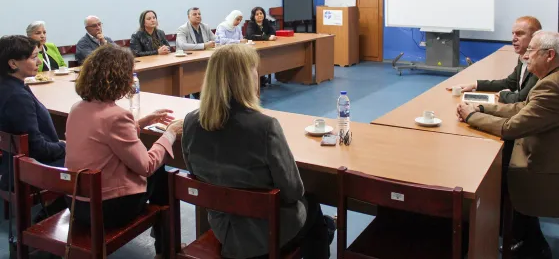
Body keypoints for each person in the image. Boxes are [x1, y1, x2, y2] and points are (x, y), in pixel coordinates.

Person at [181, 44, 334, 259]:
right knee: (313, 209)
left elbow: (194, 173)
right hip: (264, 233)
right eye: (254, 69)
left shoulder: (191, 122)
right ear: (245, 78)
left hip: (221, 226)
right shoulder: (265, 127)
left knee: (318, 221)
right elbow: (292, 191)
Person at [456, 31, 559, 259]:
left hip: (551, 171)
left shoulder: (551, 87)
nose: (526, 56)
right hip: (556, 155)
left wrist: (471, 118)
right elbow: (521, 109)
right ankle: (524, 237)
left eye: (532, 51)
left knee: (492, 175)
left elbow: (512, 127)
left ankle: (528, 242)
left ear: (550, 55)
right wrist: (482, 109)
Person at [65, 44, 183, 258]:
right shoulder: (115, 116)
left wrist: (141, 122)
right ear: (120, 79)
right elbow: (146, 166)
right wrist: (171, 133)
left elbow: (104, 137)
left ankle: (166, 246)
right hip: (108, 209)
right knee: (161, 172)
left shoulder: (78, 108)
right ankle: (167, 248)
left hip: (77, 204)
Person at [0, 35, 66, 190]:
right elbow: (38, 149)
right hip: (33, 169)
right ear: (13, 63)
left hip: (13, 163)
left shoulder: (9, 85)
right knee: (94, 160)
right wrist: (65, 147)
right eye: (34, 57)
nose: (39, 62)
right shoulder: (17, 96)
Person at [448, 16, 542, 104]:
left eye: (520, 34)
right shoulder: (523, 57)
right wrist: (475, 85)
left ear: (535, 37)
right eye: (513, 34)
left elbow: (522, 98)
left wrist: (502, 95)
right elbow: (509, 83)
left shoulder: (539, 63)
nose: (513, 39)